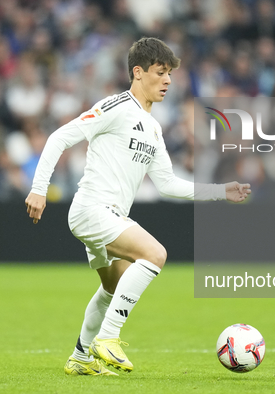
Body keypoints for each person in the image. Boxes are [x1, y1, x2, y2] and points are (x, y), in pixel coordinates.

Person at [24, 37, 251, 376]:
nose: (168, 81)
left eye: (170, 74)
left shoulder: (154, 128)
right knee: (155, 254)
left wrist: (220, 191)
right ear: (138, 72)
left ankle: (81, 357)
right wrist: (39, 189)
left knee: (111, 288)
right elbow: (60, 137)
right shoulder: (116, 107)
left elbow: (167, 183)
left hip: (109, 215)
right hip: (92, 208)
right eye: (161, 73)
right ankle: (108, 338)